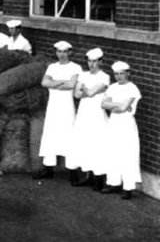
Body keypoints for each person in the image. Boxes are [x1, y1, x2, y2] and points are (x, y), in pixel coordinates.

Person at [33, 41, 82, 181]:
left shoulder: (75, 67)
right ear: (56, 53)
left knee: (69, 136)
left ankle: (73, 172)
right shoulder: (52, 67)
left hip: (67, 106)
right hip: (53, 106)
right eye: (59, 52)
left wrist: (54, 83)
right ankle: (48, 169)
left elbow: (71, 85)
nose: (62, 55)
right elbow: (44, 83)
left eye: (65, 52)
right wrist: (63, 82)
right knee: (50, 135)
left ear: (70, 52)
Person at [67, 48, 110, 190]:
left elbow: (90, 92)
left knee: (97, 144)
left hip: (97, 113)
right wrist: (86, 91)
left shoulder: (104, 77)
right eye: (89, 61)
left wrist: (85, 90)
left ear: (101, 62)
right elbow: (77, 95)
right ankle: (89, 177)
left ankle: (98, 180)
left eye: (95, 61)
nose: (92, 64)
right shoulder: (83, 75)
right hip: (84, 113)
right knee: (84, 142)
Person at [100, 61, 142, 199]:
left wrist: (114, 106)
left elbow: (124, 109)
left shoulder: (132, 88)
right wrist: (119, 105)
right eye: (116, 74)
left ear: (128, 73)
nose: (119, 77)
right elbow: (103, 104)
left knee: (127, 154)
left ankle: (127, 187)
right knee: (113, 152)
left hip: (127, 124)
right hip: (114, 123)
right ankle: (113, 182)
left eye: (122, 74)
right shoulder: (112, 87)